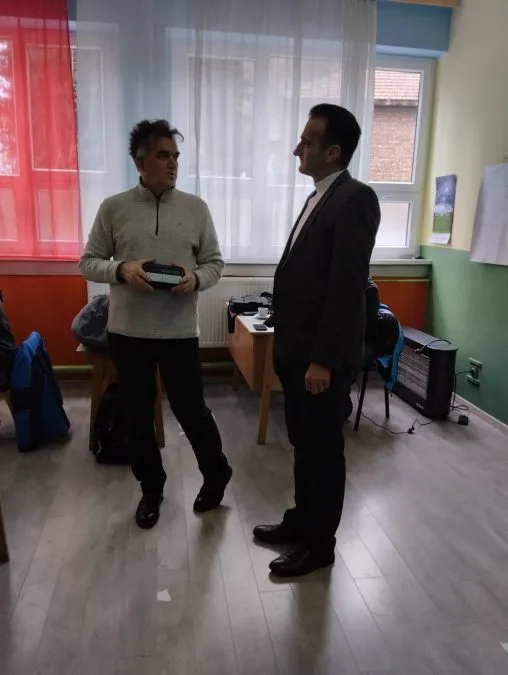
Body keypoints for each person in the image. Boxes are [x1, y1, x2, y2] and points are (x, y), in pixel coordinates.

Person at [80, 120, 232, 529]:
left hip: (179, 332)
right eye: (163, 156)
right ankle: (151, 488)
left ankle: (216, 473)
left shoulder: (196, 208)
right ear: (140, 162)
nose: (172, 164)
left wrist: (196, 279)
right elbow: (88, 262)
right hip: (128, 333)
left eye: (176, 156)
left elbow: (215, 263)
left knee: (192, 411)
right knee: (136, 416)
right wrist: (122, 269)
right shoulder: (113, 208)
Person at [253, 104, 380, 577]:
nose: (296, 149)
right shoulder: (320, 196)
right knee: (304, 445)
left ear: (333, 151)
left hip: (320, 359)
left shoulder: (355, 199)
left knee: (323, 451)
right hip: (297, 351)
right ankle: (301, 521)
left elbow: (347, 289)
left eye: (306, 142)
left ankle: (319, 544)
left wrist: (323, 360)